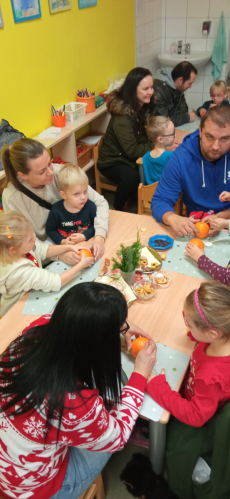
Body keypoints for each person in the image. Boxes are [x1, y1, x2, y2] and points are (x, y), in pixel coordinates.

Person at [0, 282, 157, 499]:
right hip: (36, 489)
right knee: (113, 433)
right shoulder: (75, 403)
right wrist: (140, 373)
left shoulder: (32, 334)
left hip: (10, 467)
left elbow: (68, 319)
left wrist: (119, 325)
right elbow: (117, 436)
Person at [1, 138, 109, 263]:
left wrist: (99, 237)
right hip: (46, 256)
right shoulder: (12, 198)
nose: (50, 172)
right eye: (42, 171)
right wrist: (60, 255)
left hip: (79, 241)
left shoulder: (61, 173)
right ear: (22, 175)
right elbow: (23, 242)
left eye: (49, 163)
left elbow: (100, 202)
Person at [146, 281, 230, 427]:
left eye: (189, 325)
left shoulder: (210, 378)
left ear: (212, 334)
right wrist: (196, 334)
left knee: (150, 412)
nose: (187, 327)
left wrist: (157, 387)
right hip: (191, 384)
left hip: (189, 409)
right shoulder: (222, 336)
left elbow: (195, 416)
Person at [151, 106, 230, 237]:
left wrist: (221, 217)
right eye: (209, 137)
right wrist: (172, 218)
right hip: (197, 227)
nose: (216, 147)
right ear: (200, 130)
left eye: (224, 139)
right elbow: (160, 200)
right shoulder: (181, 157)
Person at [0, 211, 94, 316]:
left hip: (31, 295)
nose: (34, 239)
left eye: (33, 234)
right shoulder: (19, 271)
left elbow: (44, 250)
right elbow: (56, 282)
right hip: (16, 311)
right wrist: (81, 264)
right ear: (13, 250)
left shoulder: (22, 248)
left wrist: (69, 247)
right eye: (30, 239)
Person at [97, 67, 155, 211]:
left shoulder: (145, 105)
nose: (151, 92)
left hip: (126, 154)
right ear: (133, 90)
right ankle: (117, 208)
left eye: (151, 87)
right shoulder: (122, 117)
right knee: (132, 178)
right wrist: (157, 145)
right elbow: (132, 150)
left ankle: (150, 198)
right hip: (112, 161)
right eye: (145, 88)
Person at [46, 163, 96, 245]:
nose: (83, 197)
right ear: (63, 195)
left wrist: (84, 236)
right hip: (64, 247)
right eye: (76, 194)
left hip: (86, 243)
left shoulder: (90, 206)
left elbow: (96, 226)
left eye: (85, 191)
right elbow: (50, 230)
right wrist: (63, 241)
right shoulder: (56, 210)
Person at [153, 61, 197, 127]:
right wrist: (187, 117)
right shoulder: (158, 90)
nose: (190, 86)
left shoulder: (177, 86)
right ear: (180, 80)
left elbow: (184, 109)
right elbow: (163, 122)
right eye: (189, 83)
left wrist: (171, 117)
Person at [143, 116, 176, 185]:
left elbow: (146, 179)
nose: (175, 135)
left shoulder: (146, 157)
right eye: (172, 133)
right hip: (168, 193)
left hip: (151, 193)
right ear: (160, 139)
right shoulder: (171, 156)